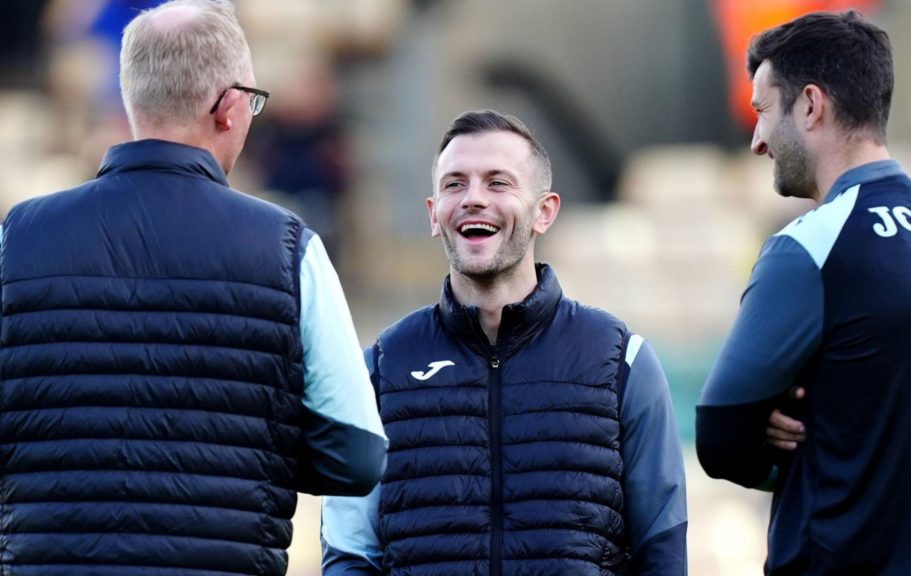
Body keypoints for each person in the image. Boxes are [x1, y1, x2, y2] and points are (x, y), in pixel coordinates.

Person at [0, 2, 386, 575]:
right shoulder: (288, 249)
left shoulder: (19, 237)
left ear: (133, 98)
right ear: (229, 107)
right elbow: (356, 455)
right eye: (254, 101)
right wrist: (249, 446)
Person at [695, 10, 911, 576]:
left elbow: (718, 437)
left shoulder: (811, 246)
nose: (758, 139)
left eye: (764, 111)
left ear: (811, 105)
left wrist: (784, 439)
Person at [321, 109, 688, 575]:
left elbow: (662, 551)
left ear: (544, 212)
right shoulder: (380, 369)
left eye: (498, 183)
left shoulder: (622, 363)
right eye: (455, 184)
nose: (474, 199)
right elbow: (350, 555)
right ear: (434, 215)